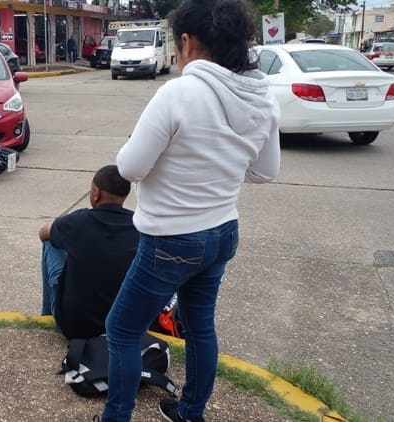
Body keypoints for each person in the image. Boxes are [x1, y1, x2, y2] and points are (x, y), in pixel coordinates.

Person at [100, 1, 280, 421]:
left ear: (187, 41)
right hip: (223, 232)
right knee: (200, 327)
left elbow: (129, 168)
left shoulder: (178, 92)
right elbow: (265, 171)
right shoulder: (260, 95)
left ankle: (117, 416)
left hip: (172, 238)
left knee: (122, 329)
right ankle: (190, 411)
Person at [38, 165, 138, 339]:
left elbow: (43, 232)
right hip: (121, 325)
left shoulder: (78, 221)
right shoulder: (138, 225)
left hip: (74, 327)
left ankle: (47, 314)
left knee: (51, 244)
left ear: (96, 193)